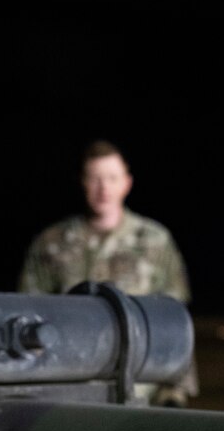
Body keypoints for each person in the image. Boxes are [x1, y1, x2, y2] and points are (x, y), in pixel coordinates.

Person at [18, 139, 196, 406]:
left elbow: (175, 320)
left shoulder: (155, 241)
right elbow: (27, 315)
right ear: (83, 182)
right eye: (95, 179)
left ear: (127, 182)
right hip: (69, 389)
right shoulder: (52, 243)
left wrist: (175, 392)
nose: (104, 189)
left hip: (140, 390)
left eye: (112, 178)